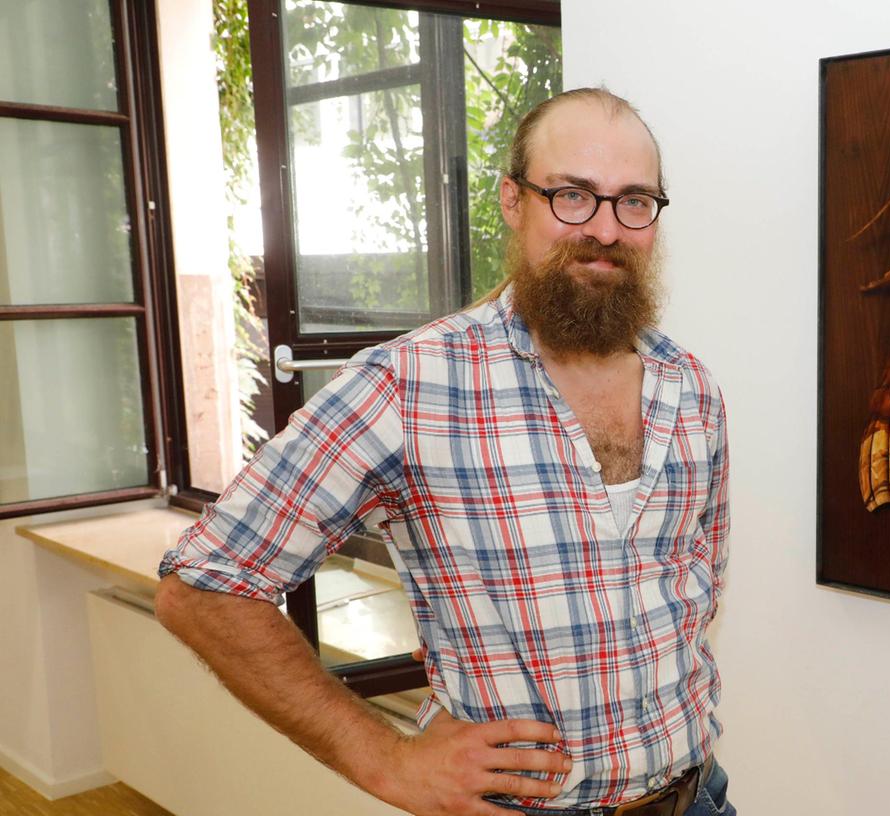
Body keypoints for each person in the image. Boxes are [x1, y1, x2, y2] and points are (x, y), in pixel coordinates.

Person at [155, 87, 734, 816]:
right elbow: (204, 584)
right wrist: (387, 761)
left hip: (697, 797)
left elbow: (693, 596)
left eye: (634, 202)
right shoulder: (409, 385)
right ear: (513, 201)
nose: (605, 228)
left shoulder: (691, 389)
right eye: (572, 195)